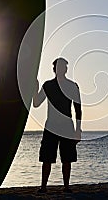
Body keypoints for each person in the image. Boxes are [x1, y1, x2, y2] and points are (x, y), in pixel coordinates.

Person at [32, 57, 82, 193]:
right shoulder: (47, 85)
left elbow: (78, 109)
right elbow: (36, 103)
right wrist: (35, 88)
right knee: (46, 158)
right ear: (54, 69)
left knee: (67, 159)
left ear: (66, 69)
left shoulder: (72, 86)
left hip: (66, 127)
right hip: (51, 126)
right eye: (59, 67)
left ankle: (66, 186)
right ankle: (43, 187)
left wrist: (78, 130)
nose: (61, 69)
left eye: (64, 67)